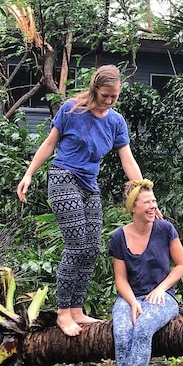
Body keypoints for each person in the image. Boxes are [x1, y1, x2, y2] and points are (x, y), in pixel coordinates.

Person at [17, 65, 145, 336]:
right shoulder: (72, 110)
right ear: (95, 89)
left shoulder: (116, 122)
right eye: (105, 95)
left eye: (115, 96)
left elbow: (127, 159)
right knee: (76, 246)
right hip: (63, 178)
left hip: (89, 185)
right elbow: (49, 144)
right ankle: (63, 313)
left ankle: (77, 309)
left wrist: (143, 190)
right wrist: (29, 174)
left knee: (91, 249)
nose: (109, 101)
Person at [103, 179, 183, 366]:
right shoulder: (119, 237)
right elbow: (120, 280)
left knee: (142, 329)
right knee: (122, 332)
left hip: (163, 298)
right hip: (130, 296)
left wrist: (160, 288)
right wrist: (131, 303)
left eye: (154, 202)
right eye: (147, 202)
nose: (153, 206)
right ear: (133, 207)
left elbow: (181, 265)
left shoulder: (165, 229)